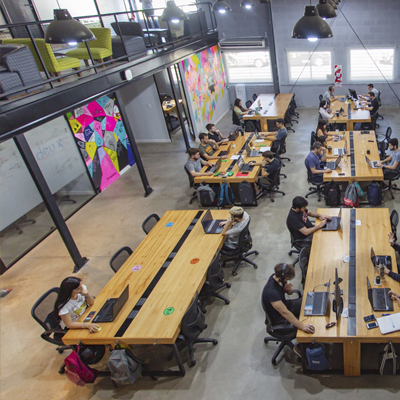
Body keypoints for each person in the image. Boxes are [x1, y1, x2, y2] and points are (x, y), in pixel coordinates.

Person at [262, 263, 315, 336]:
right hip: (280, 320)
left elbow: (289, 293)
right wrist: (302, 326)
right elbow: (285, 313)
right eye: (287, 279)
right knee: (309, 322)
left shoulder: (279, 278)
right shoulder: (272, 292)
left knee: (310, 300)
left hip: (285, 305)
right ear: (282, 277)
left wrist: (288, 290)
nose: (287, 281)